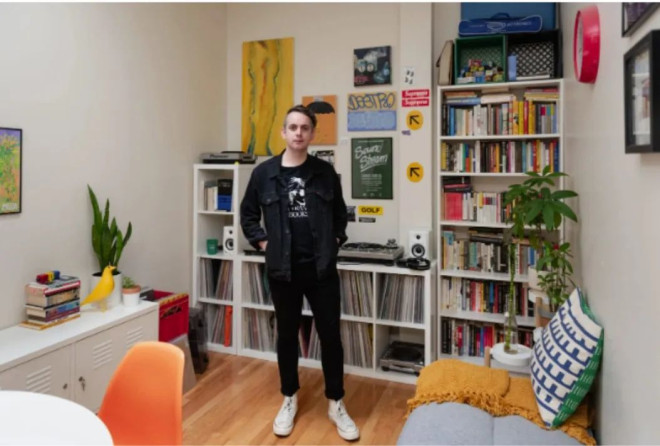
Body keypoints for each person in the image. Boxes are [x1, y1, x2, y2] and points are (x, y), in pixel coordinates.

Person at [240, 105, 359, 441]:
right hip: (283, 270)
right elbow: (248, 214)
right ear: (283, 132)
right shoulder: (263, 173)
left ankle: (336, 402)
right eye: (292, 127)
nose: (298, 133)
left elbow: (340, 215)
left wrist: (336, 240)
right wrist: (264, 243)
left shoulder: (325, 172)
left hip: (321, 269)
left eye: (305, 127)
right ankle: (289, 397)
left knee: (331, 336)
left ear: (312, 134)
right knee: (287, 336)